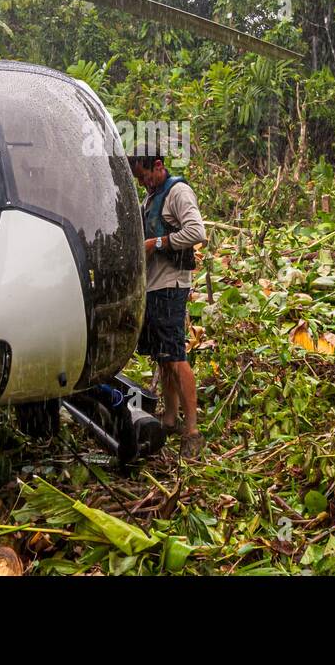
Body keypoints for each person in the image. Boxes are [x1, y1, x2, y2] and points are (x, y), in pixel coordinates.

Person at [128, 144, 207, 458]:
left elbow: (197, 231)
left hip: (171, 285)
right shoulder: (152, 196)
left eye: (145, 175)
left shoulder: (177, 192)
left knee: (175, 355)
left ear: (158, 165)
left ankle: (193, 430)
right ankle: (171, 418)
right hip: (154, 286)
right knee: (163, 355)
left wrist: (157, 242)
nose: (143, 182)